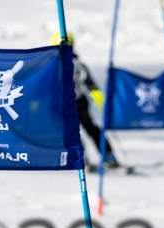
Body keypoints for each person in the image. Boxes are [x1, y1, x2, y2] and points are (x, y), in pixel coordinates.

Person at [52, 32, 122, 171]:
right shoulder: (53, 65)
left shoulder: (78, 64)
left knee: (92, 129)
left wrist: (97, 96)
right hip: (63, 105)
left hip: (79, 102)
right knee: (72, 132)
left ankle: (108, 155)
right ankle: (81, 157)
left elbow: (89, 83)